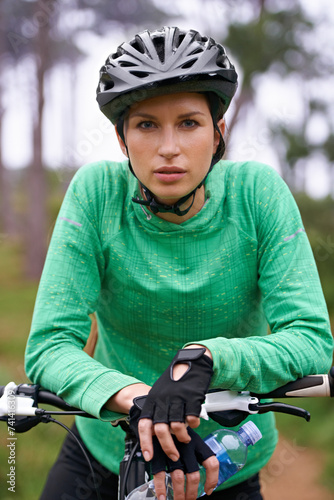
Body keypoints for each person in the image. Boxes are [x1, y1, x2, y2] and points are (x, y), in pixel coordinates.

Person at [25, 26, 333, 500]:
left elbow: (311, 341)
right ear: (122, 139)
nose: (169, 147)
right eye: (147, 125)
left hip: (228, 456)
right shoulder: (96, 195)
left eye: (189, 123)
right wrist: (141, 403)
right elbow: (49, 345)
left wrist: (208, 359)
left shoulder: (257, 194)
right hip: (105, 454)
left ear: (218, 134)